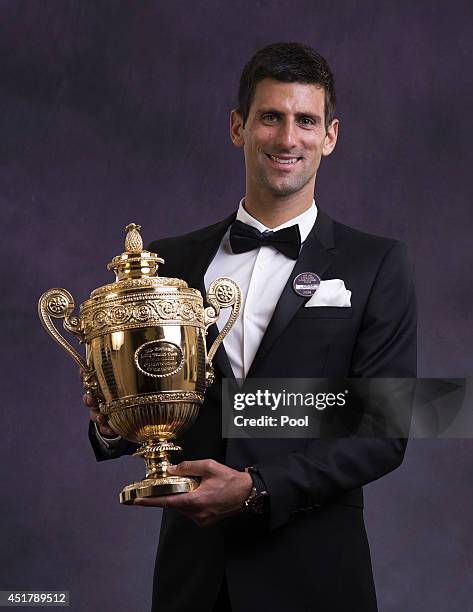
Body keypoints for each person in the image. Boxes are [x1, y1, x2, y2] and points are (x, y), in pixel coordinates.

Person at [85, 42, 416, 611]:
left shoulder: (377, 264)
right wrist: (116, 420)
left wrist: (258, 488)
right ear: (238, 127)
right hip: (193, 581)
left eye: (305, 121)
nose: (289, 139)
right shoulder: (168, 264)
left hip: (316, 580)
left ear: (330, 136)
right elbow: (163, 400)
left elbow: (384, 434)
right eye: (271, 117)